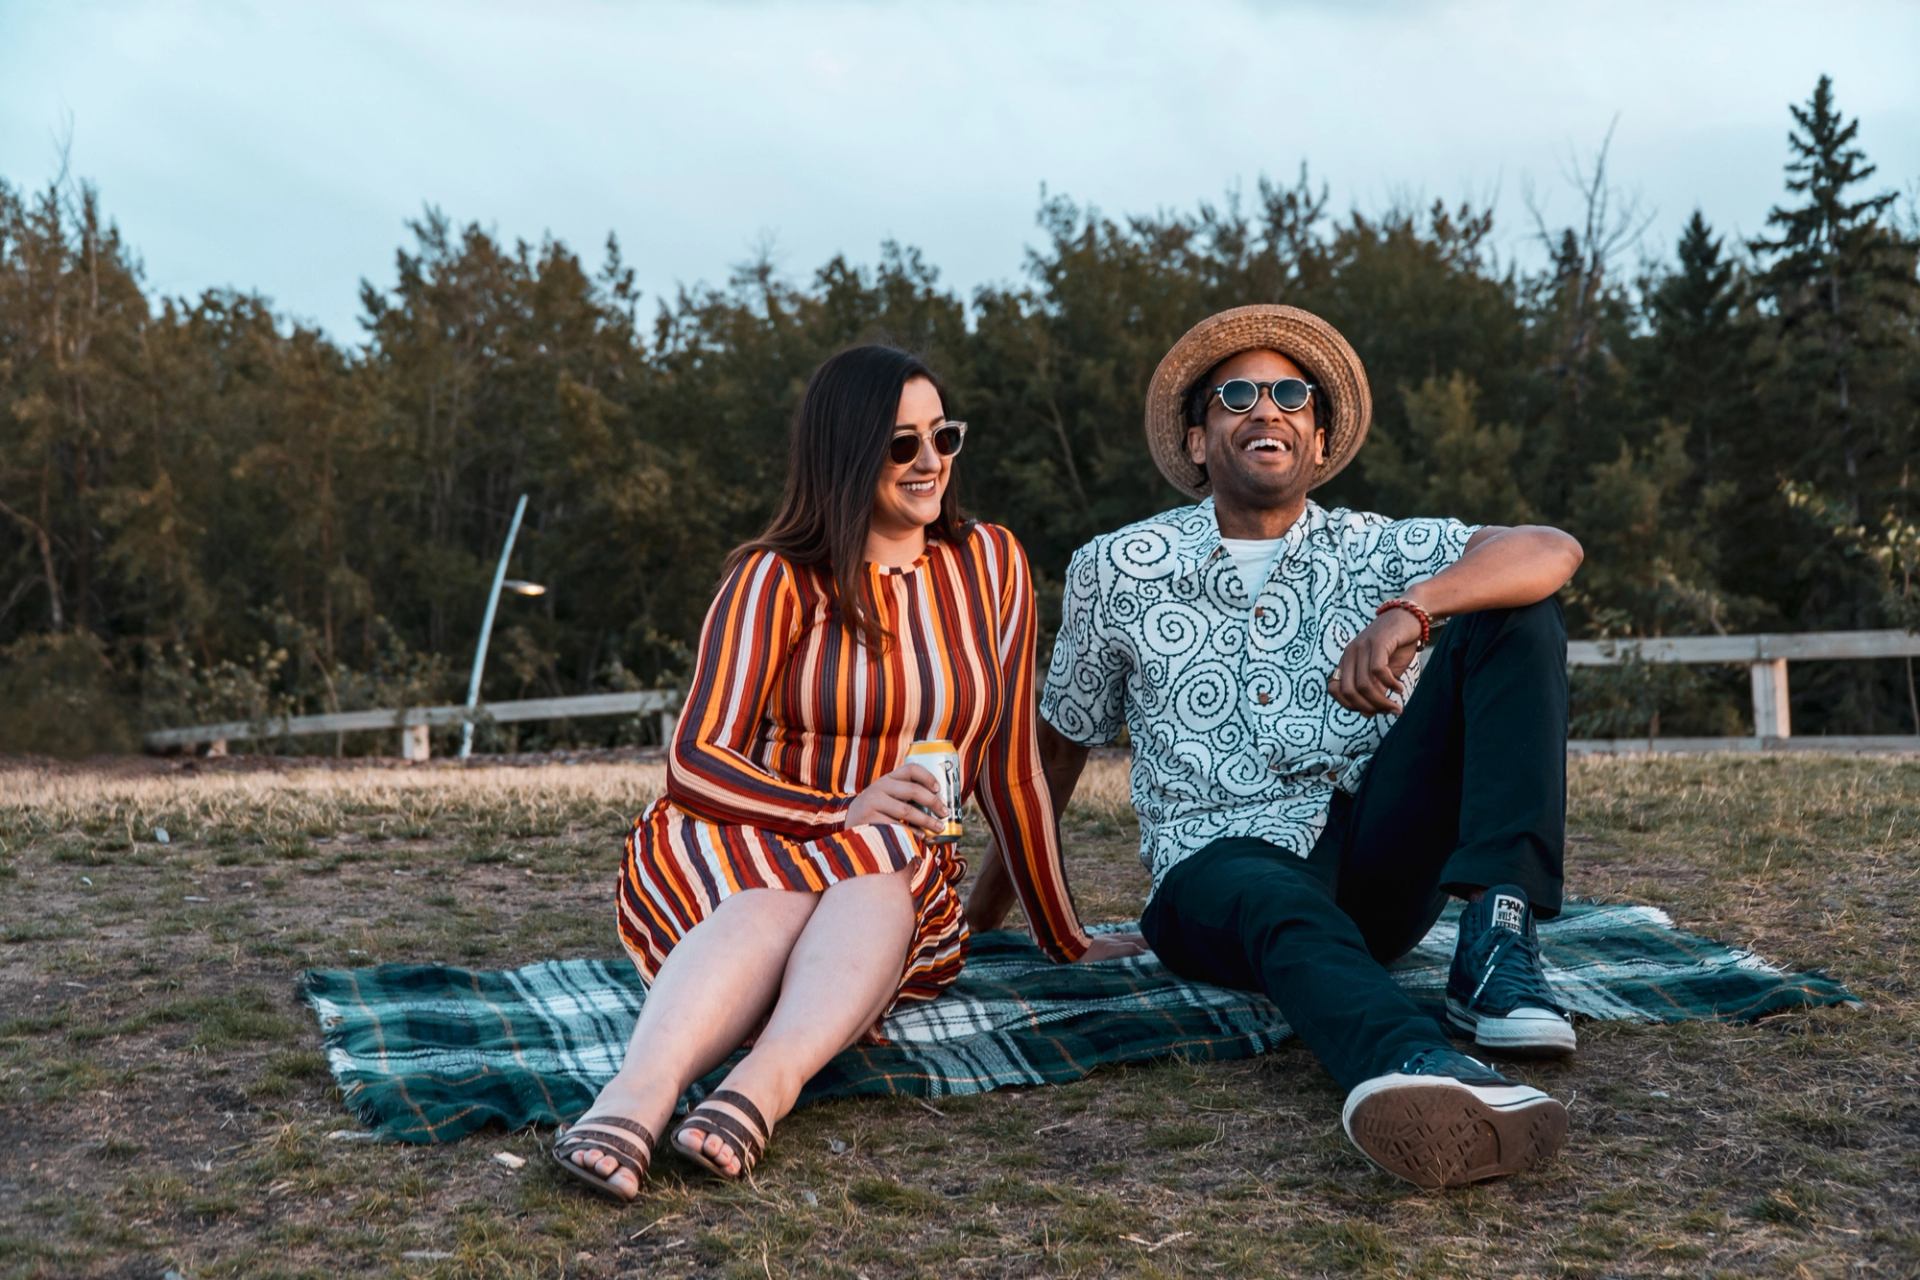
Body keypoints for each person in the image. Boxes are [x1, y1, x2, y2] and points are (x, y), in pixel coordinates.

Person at [967, 305, 1585, 1189]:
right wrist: (992, 915)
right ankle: (1421, 1070)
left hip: (1373, 859)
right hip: (1212, 871)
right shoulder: (1118, 567)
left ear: (1319, 436)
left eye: (1291, 394)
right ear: (1196, 438)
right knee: (1269, 898)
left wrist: (1413, 610)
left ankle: (1497, 942)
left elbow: (1549, 547)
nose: (1269, 409)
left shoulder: (1376, 549)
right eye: (1239, 395)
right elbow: (1055, 749)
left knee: (1518, 609)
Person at [553, 344, 1143, 1202]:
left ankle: (763, 1089)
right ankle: (636, 1095)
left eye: (943, 436)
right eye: (902, 445)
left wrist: (1064, 934)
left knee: (877, 875)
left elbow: (1011, 768)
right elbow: (693, 760)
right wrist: (839, 808)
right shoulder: (776, 577)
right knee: (787, 890)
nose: (930, 461)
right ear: (847, 451)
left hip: (896, 870)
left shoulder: (992, 566)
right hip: (747, 836)